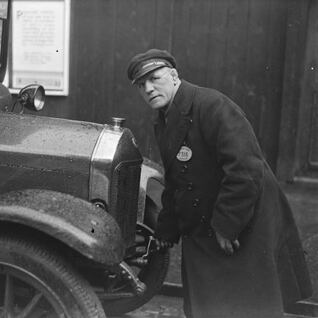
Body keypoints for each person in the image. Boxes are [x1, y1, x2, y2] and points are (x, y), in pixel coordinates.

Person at [127, 48, 312, 318]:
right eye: (141, 85)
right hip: (207, 218)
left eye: (155, 78)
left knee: (247, 302)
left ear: (174, 75)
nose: (149, 88)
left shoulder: (212, 105)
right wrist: (166, 231)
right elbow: (177, 179)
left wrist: (227, 225)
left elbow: (246, 168)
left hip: (245, 216)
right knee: (209, 302)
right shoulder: (164, 119)